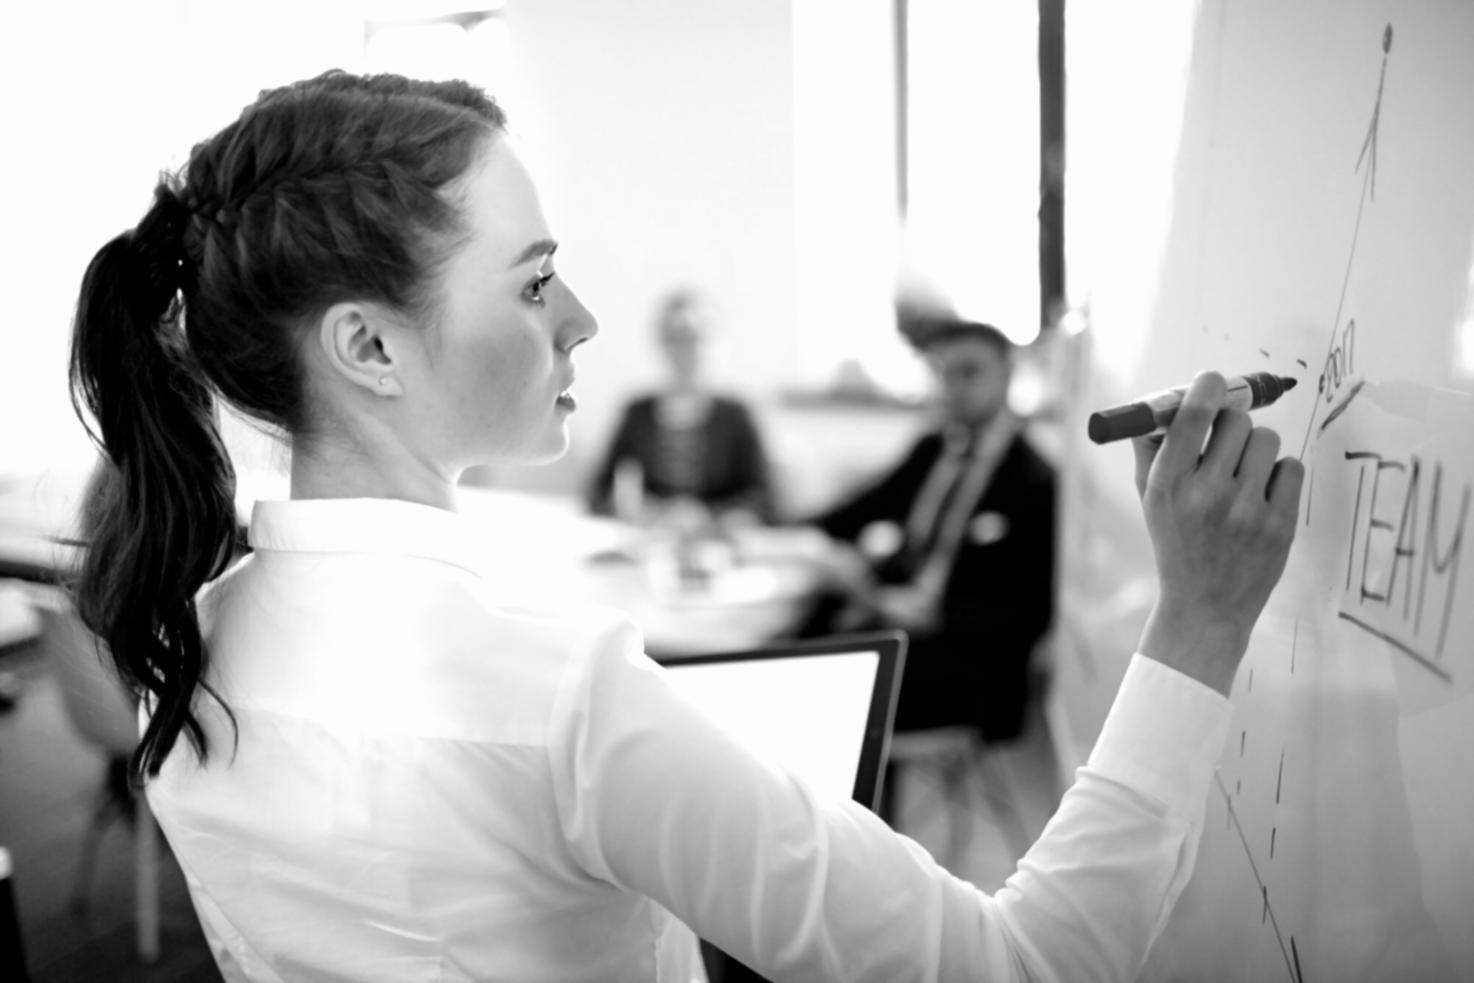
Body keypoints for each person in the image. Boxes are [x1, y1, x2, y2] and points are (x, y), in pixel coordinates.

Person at [67, 69, 1303, 982]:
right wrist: (1197, 612)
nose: (584, 320)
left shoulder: (176, 643)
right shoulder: (560, 697)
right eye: (536, 279)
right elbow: (1029, 963)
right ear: (370, 346)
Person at [800, 319, 1054, 745]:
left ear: (1008, 375)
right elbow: (858, 510)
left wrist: (923, 613)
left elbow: (1027, 613)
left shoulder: (1035, 482)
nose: (953, 386)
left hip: (965, 660)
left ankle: (851, 804)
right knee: (799, 635)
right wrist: (774, 526)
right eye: (944, 373)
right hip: (896, 619)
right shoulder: (932, 449)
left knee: (823, 692)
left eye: (969, 371)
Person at [586, 288, 775, 526]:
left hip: (717, 541)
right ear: (662, 343)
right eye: (678, 337)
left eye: (698, 336)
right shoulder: (637, 413)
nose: (690, 350)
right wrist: (638, 509)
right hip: (651, 536)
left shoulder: (737, 415)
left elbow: (766, 500)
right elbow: (598, 493)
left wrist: (709, 516)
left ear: (718, 342)